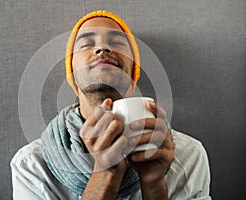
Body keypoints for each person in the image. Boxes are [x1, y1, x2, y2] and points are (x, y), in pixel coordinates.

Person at [11, 10, 211, 200]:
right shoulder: (32, 164)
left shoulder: (189, 155)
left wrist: (154, 184)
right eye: (87, 43)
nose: (102, 49)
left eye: (116, 42)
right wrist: (106, 172)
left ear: (133, 74)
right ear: (71, 73)